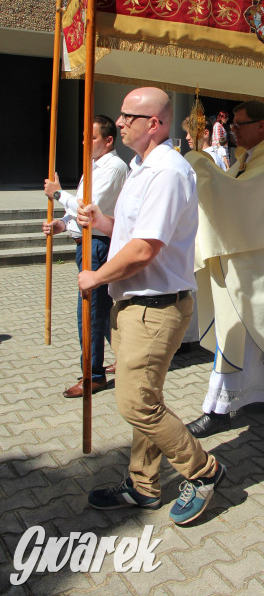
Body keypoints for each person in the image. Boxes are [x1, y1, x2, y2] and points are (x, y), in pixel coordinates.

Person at [77, 88, 226, 525]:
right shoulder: (142, 167)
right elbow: (133, 232)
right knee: (147, 398)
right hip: (135, 303)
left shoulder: (167, 171)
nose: (119, 122)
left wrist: (96, 277)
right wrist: (101, 222)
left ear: (155, 124)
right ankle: (143, 485)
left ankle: (203, 470)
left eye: (128, 116)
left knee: (135, 403)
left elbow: (144, 249)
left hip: (154, 307)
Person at [185, 100, 264, 438]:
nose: (234, 130)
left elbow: (235, 196)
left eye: (241, 124)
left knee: (239, 326)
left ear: (262, 126)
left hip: (260, 259)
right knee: (246, 328)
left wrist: (198, 161)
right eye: (233, 124)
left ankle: (219, 409)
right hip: (250, 252)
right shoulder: (252, 154)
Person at [43, 115, 127, 397]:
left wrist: (58, 195)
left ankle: (94, 374)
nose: (84, 142)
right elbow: (76, 215)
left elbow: (90, 208)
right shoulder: (92, 166)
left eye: (90, 137)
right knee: (99, 312)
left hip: (99, 243)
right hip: (86, 243)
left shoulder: (114, 167)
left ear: (108, 140)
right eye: (83, 137)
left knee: (89, 313)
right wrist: (61, 224)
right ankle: (121, 356)